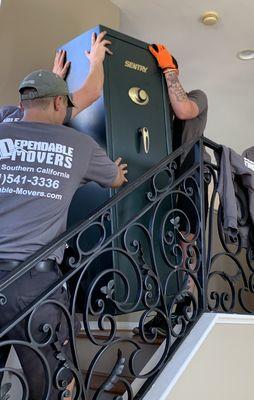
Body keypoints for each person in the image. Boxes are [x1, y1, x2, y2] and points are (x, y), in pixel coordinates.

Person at [0, 70, 128, 399]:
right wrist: (117, 171)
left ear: (20, 104)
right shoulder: (79, 145)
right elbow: (115, 179)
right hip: (33, 287)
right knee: (56, 387)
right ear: (59, 102)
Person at [133, 44, 209, 336]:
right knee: (162, 246)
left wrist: (168, 70)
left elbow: (183, 109)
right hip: (165, 181)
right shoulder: (155, 113)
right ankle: (167, 308)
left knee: (187, 242)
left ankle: (190, 305)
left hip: (191, 174)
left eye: (162, 74)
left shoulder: (196, 97)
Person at [0, 31, 112, 123]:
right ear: (57, 102)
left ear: (21, 105)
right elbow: (92, 91)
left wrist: (55, 82)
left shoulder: (6, 114)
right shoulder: (52, 112)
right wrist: (96, 60)